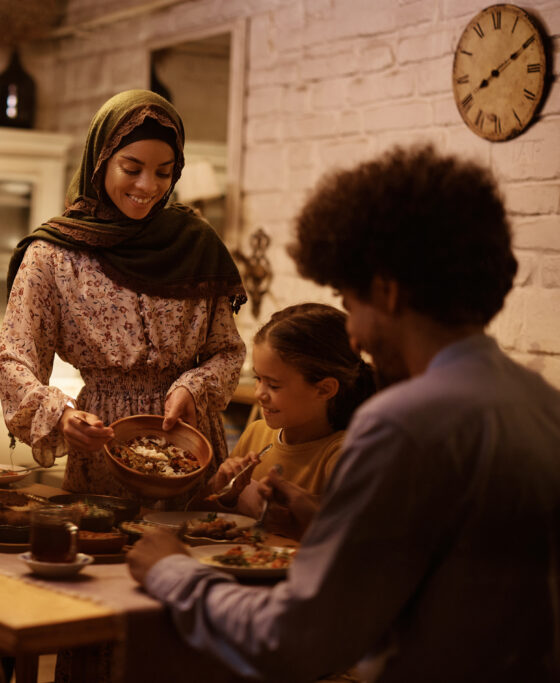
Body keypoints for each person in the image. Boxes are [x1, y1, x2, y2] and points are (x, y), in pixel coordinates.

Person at [128, 145, 560, 681]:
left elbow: (293, 640)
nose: (353, 333)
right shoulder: (543, 404)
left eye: (349, 302)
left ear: (387, 291)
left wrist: (172, 572)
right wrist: (331, 525)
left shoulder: (404, 422)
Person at [0, 89, 247, 501]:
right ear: (100, 161)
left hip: (188, 444)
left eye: (164, 173)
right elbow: (14, 359)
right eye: (131, 168)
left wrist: (193, 387)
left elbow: (227, 350)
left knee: (195, 553)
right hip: (103, 444)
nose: (148, 186)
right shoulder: (55, 255)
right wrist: (62, 416)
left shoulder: (196, 244)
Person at [196, 303, 375, 538]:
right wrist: (225, 491)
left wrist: (303, 517)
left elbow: (353, 540)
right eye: (258, 379)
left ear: (324, 389)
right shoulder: (255, 433)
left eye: (274, 385)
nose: (259, 392)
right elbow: (199, 518)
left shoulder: (343, 454)